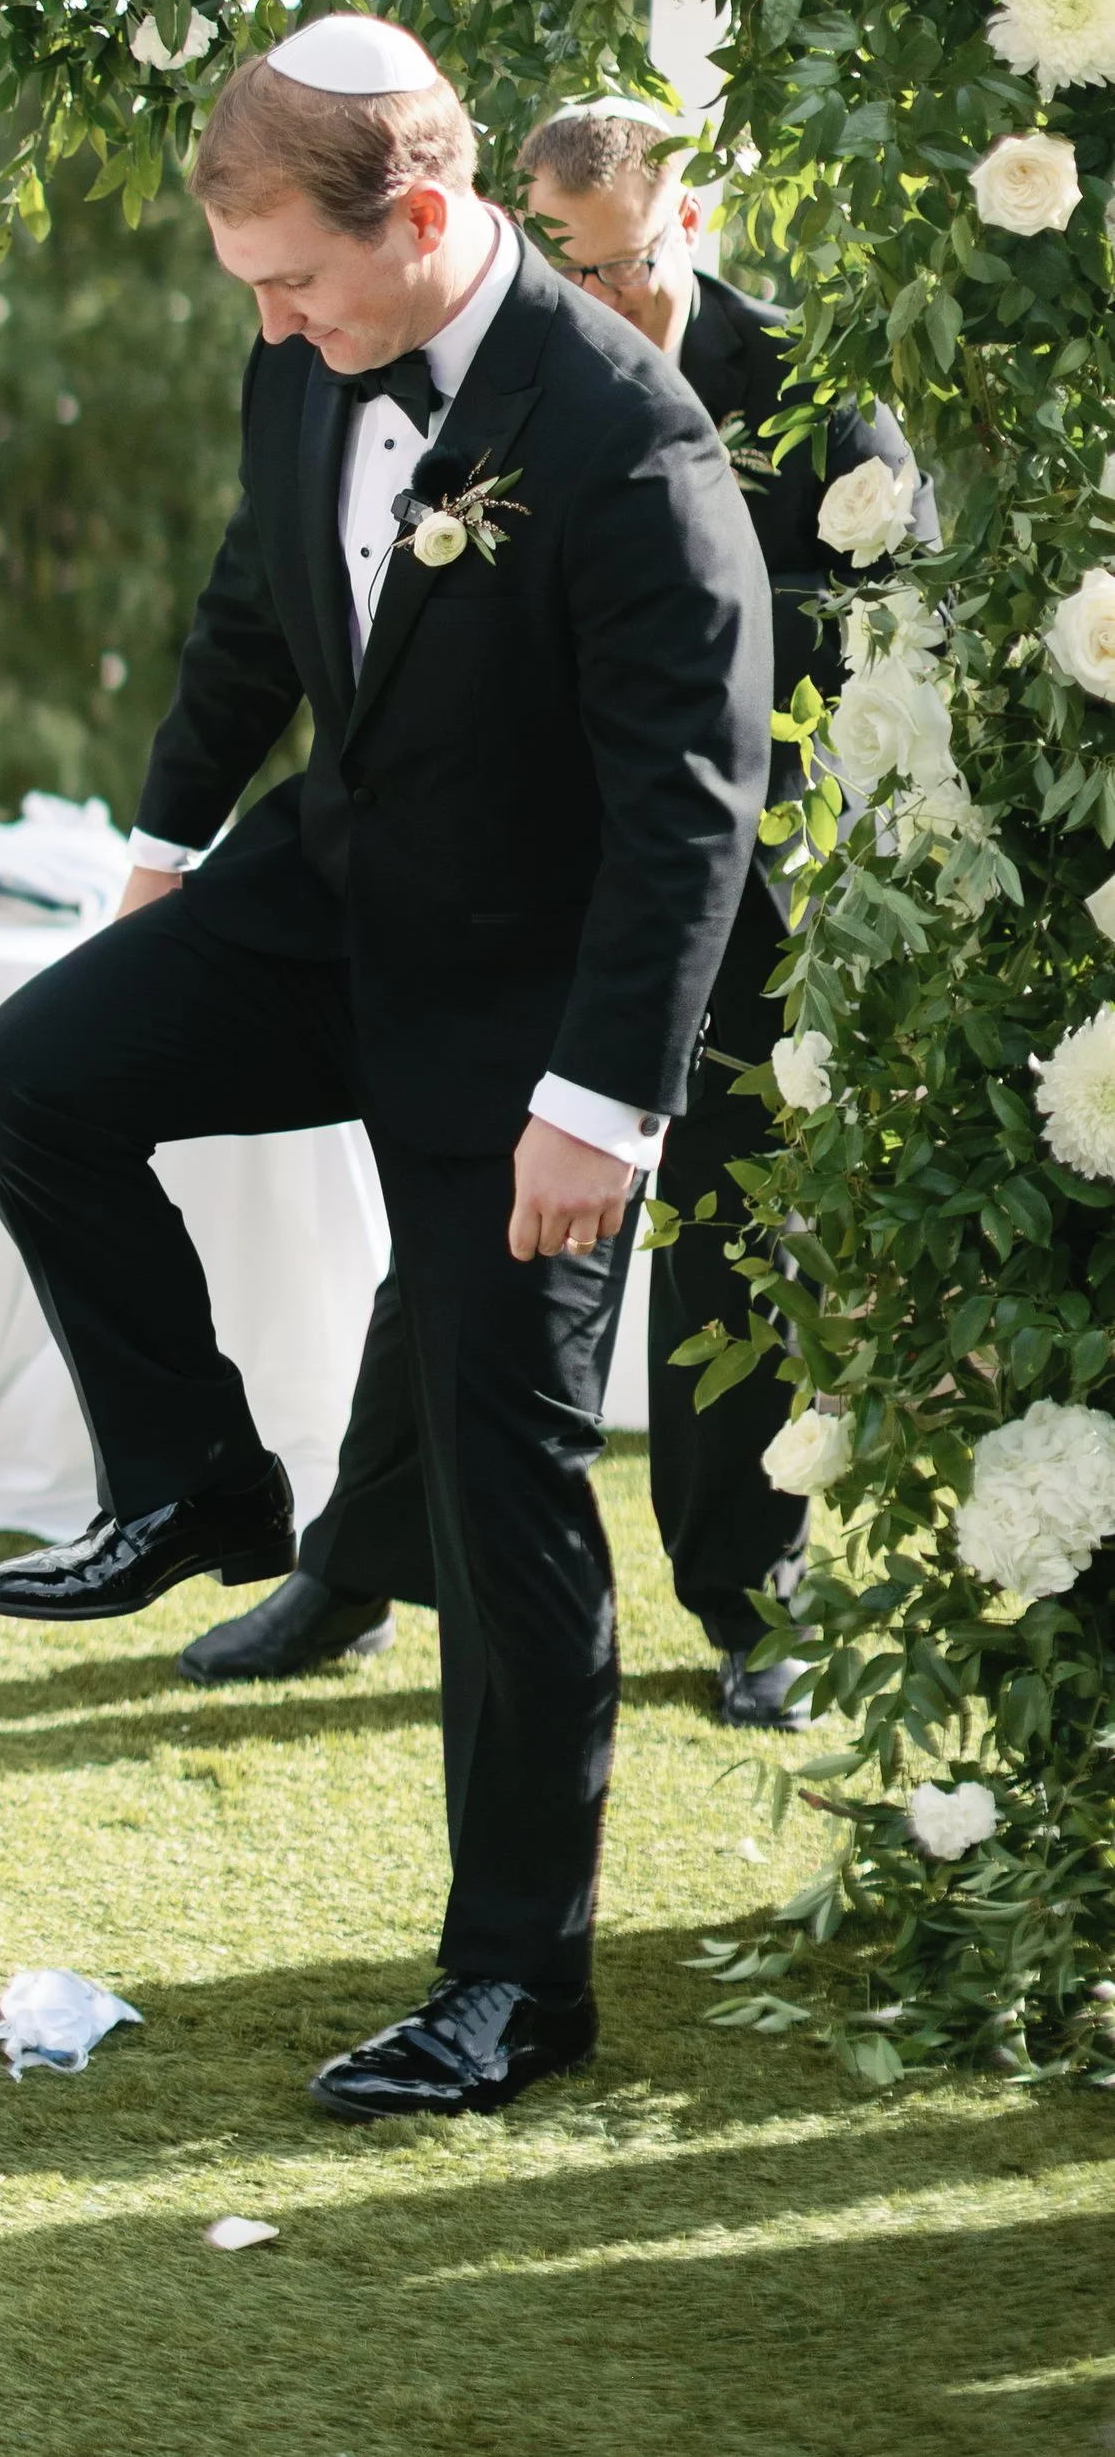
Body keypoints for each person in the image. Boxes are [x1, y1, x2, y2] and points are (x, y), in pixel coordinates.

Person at [0, 21, 769, 2123]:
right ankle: (196, 1482)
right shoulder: (298, 358)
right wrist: (157, 854)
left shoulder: (621, 438)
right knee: (27, 1079)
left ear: (415, 221)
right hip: (326, 903)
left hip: (524, 1011)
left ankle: (514, 1987)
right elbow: (253, 605)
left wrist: (601, 1105)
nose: (269, 322)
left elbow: (691, 801)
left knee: (505, 1503)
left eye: (292, 281)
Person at [184, 99, 926, 1729]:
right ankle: (361, 1563)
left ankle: (751, 1601)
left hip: (726, 888)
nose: (577, 301)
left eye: (608, 268)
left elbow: (891, 625)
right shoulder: (506, 373)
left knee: (738, 1246)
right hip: (519, 885)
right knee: (464, 1232)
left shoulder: (807, 393)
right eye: (557, 264)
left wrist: (673, 601)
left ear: (688, 222)